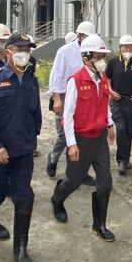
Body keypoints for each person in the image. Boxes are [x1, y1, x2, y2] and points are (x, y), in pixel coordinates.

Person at [0, 32, 41, 262]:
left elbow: (36, 113)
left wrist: (33, 135)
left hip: (23, 150)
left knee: (24, 196)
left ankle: (21, 247)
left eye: (28, 49)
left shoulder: (31, 80)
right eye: (20, 48)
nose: (25, 53)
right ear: (9, 51)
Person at [50, 34, 116, 242]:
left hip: (99, 139)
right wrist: (71, 144)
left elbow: (104, 105)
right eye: (99, 55)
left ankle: (100, 225)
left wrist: (110, 124)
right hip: (80, 139)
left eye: (103, 55)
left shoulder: (103, 79)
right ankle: (57, 199)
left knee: (105, 183)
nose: (102, 59)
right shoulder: (76, 81)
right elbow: (67, 115)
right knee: (73, 181)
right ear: (87, 57)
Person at [46, 21, 97, 184]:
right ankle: (53, 159)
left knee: (82, 136)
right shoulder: (65, 51)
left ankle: (79, 172)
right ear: (79, 36)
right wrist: (56, 99)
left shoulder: (92, 52)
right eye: (86, 37)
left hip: (84, 99)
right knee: (63, 135)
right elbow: (56, 76)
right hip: (64, 96)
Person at [106, 35, 132, 175]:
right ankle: (121, 161)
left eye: (130, 46)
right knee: (122, 129)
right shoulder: (113, 63)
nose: (127, 49)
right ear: (120, 48)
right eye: (125, 46)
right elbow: (107, 80)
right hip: (117, 101)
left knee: (129, 131)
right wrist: (111, 92)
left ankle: (126, 158)